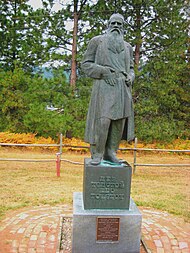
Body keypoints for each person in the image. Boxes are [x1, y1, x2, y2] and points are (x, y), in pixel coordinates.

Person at [81, 13, 135, 165]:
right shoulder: (97, 42)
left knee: (119, 123)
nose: (116, 27)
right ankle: (98, 154)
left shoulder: (127, 47)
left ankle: (111, 152)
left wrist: (131, 77)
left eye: (119, 24)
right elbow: (85, 64)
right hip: (105, 87)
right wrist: (104, 72)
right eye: (113, 23)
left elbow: (131, 68)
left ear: (123, 27)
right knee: (103, 121)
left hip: (122, 89)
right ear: (108, 25)